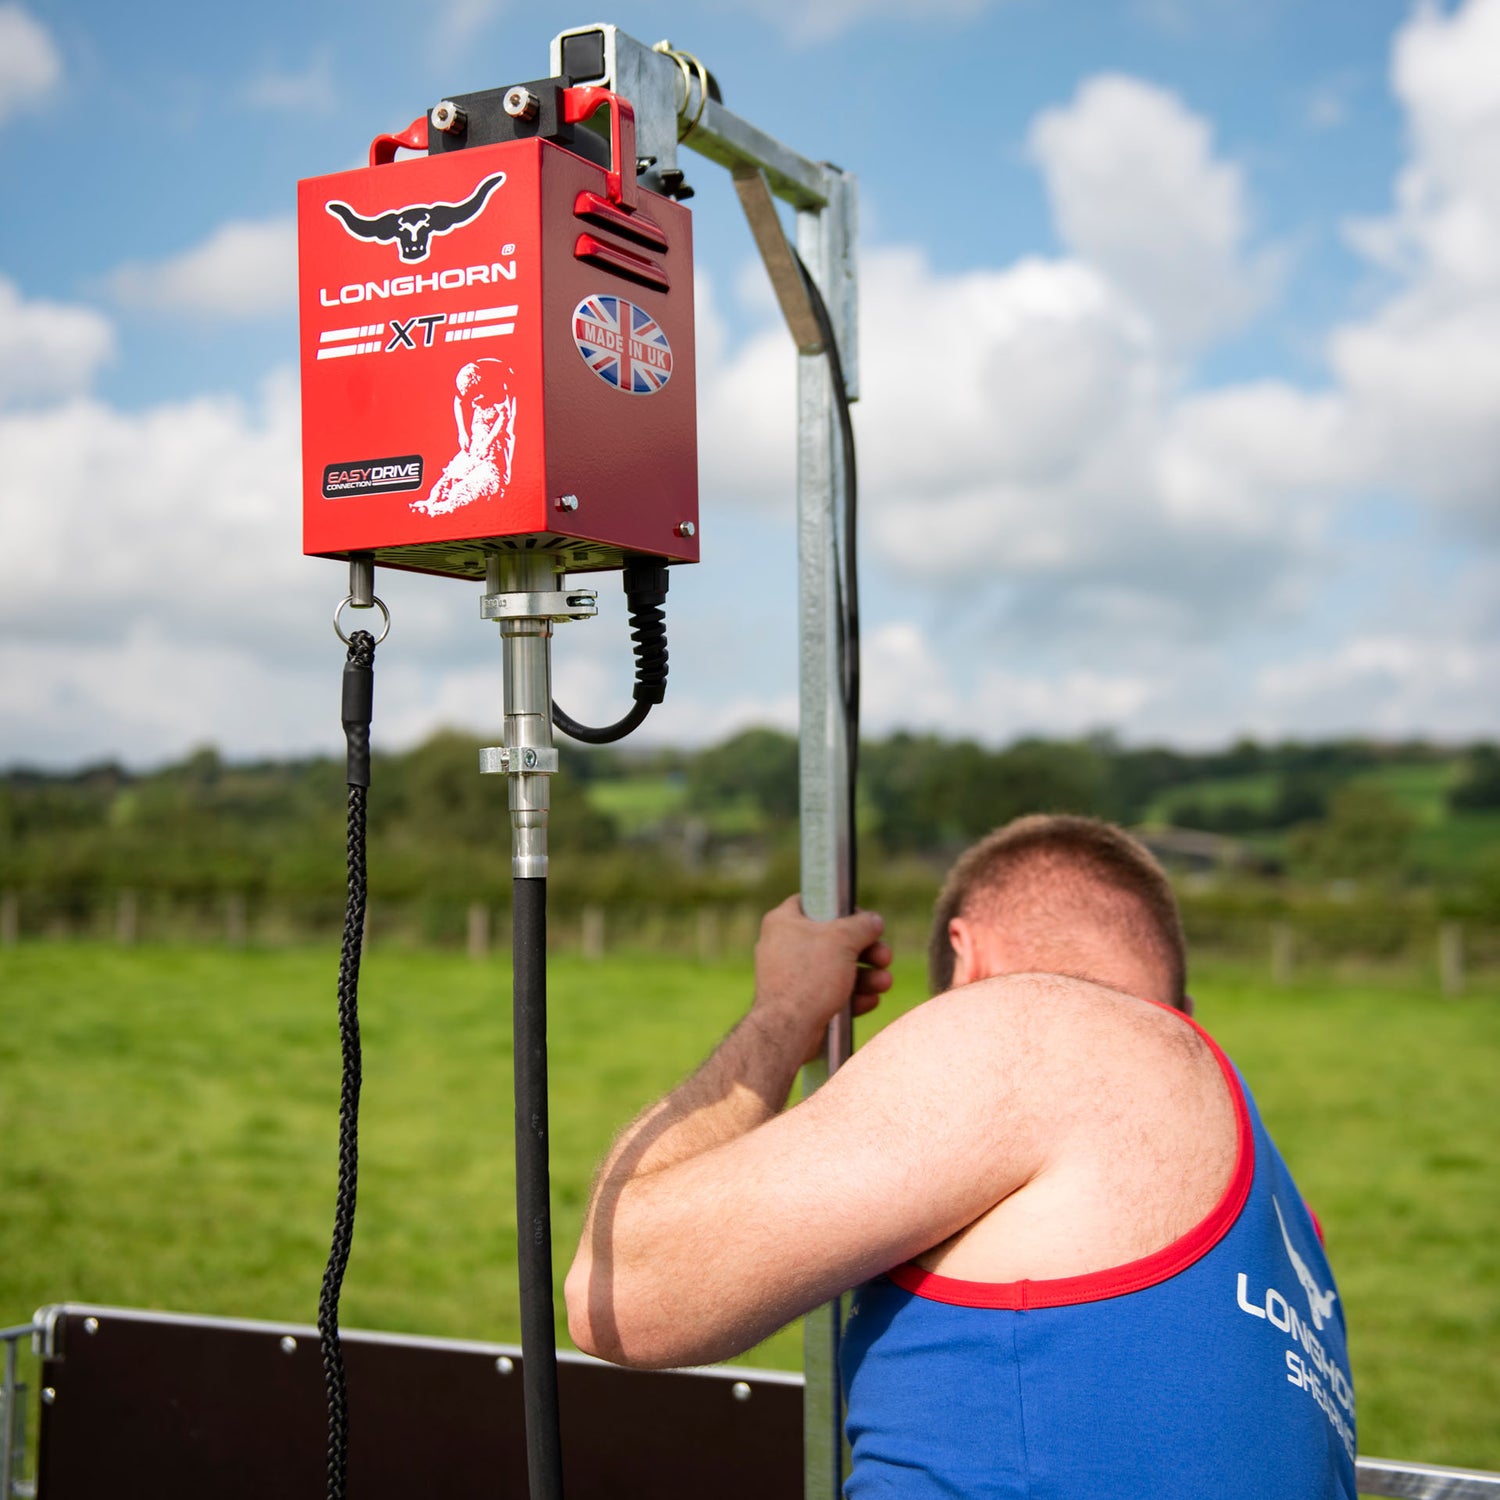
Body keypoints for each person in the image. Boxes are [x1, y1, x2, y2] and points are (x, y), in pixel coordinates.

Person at [565, 814, 1356, 1498]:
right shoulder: (1286, 1217)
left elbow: (620, 1292)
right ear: (1182, 1012)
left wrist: (785, 1010)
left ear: (966, 959)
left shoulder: (1044, 1031)